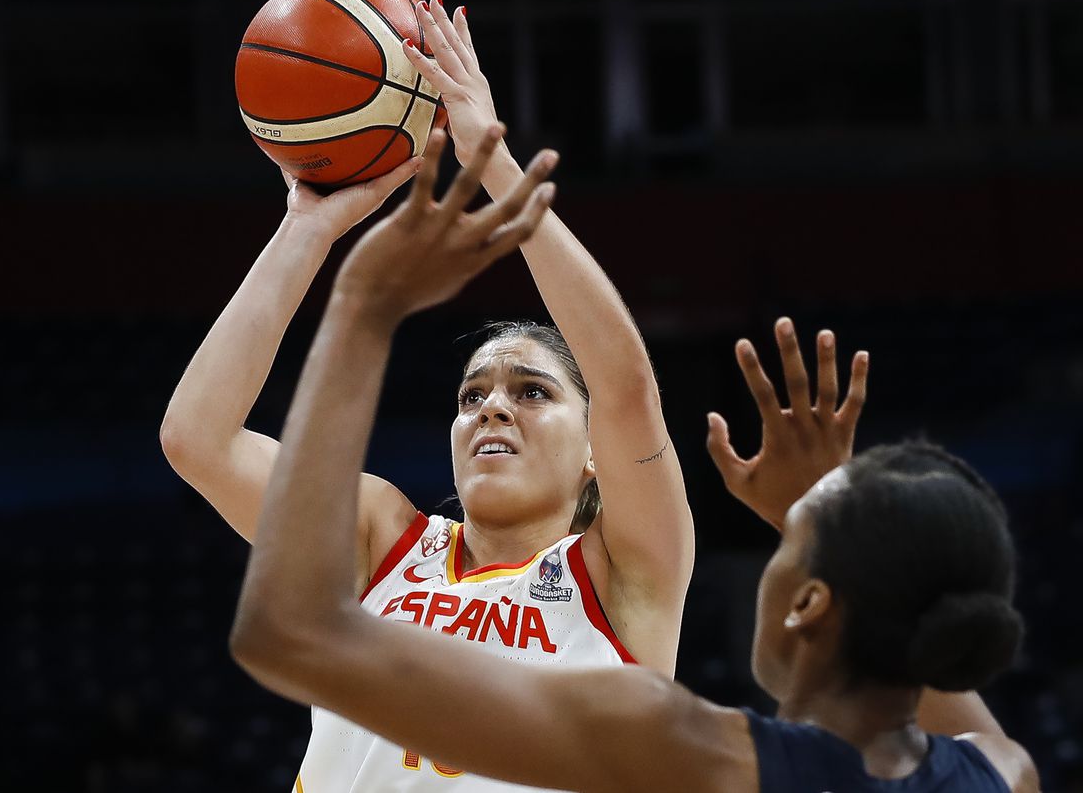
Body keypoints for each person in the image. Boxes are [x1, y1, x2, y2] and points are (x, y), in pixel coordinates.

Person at [228, 121, 1039, 791]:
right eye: (472, 394)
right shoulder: (996, 774)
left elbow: (286, 630)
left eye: (787, 543)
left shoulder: (697, 750)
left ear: (812, 603)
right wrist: (829, 512)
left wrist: (365, 308)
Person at [163, 9, 705, 783]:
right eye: (473, 393)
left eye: (532, 391)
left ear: (595, 454)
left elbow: (626, 389)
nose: (492, 406)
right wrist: (307, 227)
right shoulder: (381, 540)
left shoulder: (628, 579)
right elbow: (198, 439)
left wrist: (492, 162)